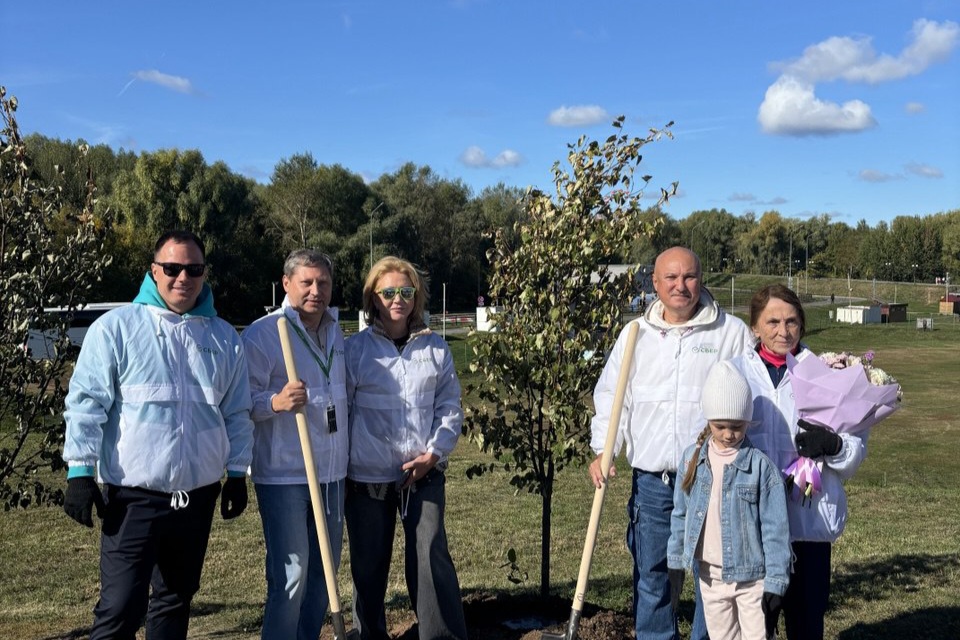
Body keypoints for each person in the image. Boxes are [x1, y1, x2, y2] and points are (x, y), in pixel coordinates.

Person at [62, 230, 254, 640]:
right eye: (172, 268)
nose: (182, 277)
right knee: (120, 609)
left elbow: (237, 412)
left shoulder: (223, 338)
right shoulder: (116, 328)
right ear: (154, 271)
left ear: (204, 274)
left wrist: (237, 474)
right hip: (134, 498)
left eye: (193, 269)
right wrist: (79, 471)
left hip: (197, 496)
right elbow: (86, 402)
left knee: (174, 602)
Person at [588, 246, 754, 640]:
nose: (681, 286)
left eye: (690, 277)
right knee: (653, 578)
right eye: (671, 278)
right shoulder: (635, 335)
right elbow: (613, 397)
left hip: (713, 480)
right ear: (656, 284)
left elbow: (753, 399)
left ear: (701, 280)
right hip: (653, 483)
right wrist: (603, 448)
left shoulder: (730, 333)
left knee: (712, 579)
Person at [727, 284, 867, 640]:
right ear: (755, 327)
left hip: (808, 522)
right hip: (754, 527)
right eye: (772, 321)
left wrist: (833, 444)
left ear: (802, 326)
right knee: (757, 626)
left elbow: (854, 453)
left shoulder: (828, 373)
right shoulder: (734, 374)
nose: (782, 330)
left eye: (791, 321)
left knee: (806, 624)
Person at [344, 256, 467, 640]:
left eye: (406, 292)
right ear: (373, 297)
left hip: (423, 474)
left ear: (417, 297)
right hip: (367, 477)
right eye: (389, 292)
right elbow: (343, 411)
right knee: (368, 567)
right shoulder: (356, 351)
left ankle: (441, 634)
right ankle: (370, 634)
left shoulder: (435, 348)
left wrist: (433, 455)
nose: (398, 299)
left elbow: (449, 407)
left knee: (430, 557)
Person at [240, 249, 349, 640]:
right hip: (285, 474)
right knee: (292, 574)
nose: (315, 290)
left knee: (324, 577)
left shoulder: (337, 331)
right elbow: (238, 403)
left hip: (332, 473)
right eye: (306, 282)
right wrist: (275, 402)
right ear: (287, 284)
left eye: (323, 282)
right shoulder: (264, 333)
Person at [667, 361, 790, 640]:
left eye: (736, 426)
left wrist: (775, 582)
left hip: (752, 579)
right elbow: (680, 514)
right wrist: (675, 561)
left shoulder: (761, 469)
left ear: (748, 420)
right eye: (719, 426)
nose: (728, 434)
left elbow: (776, 530)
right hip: (710, 578)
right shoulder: (692, 459)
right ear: (708, 420)